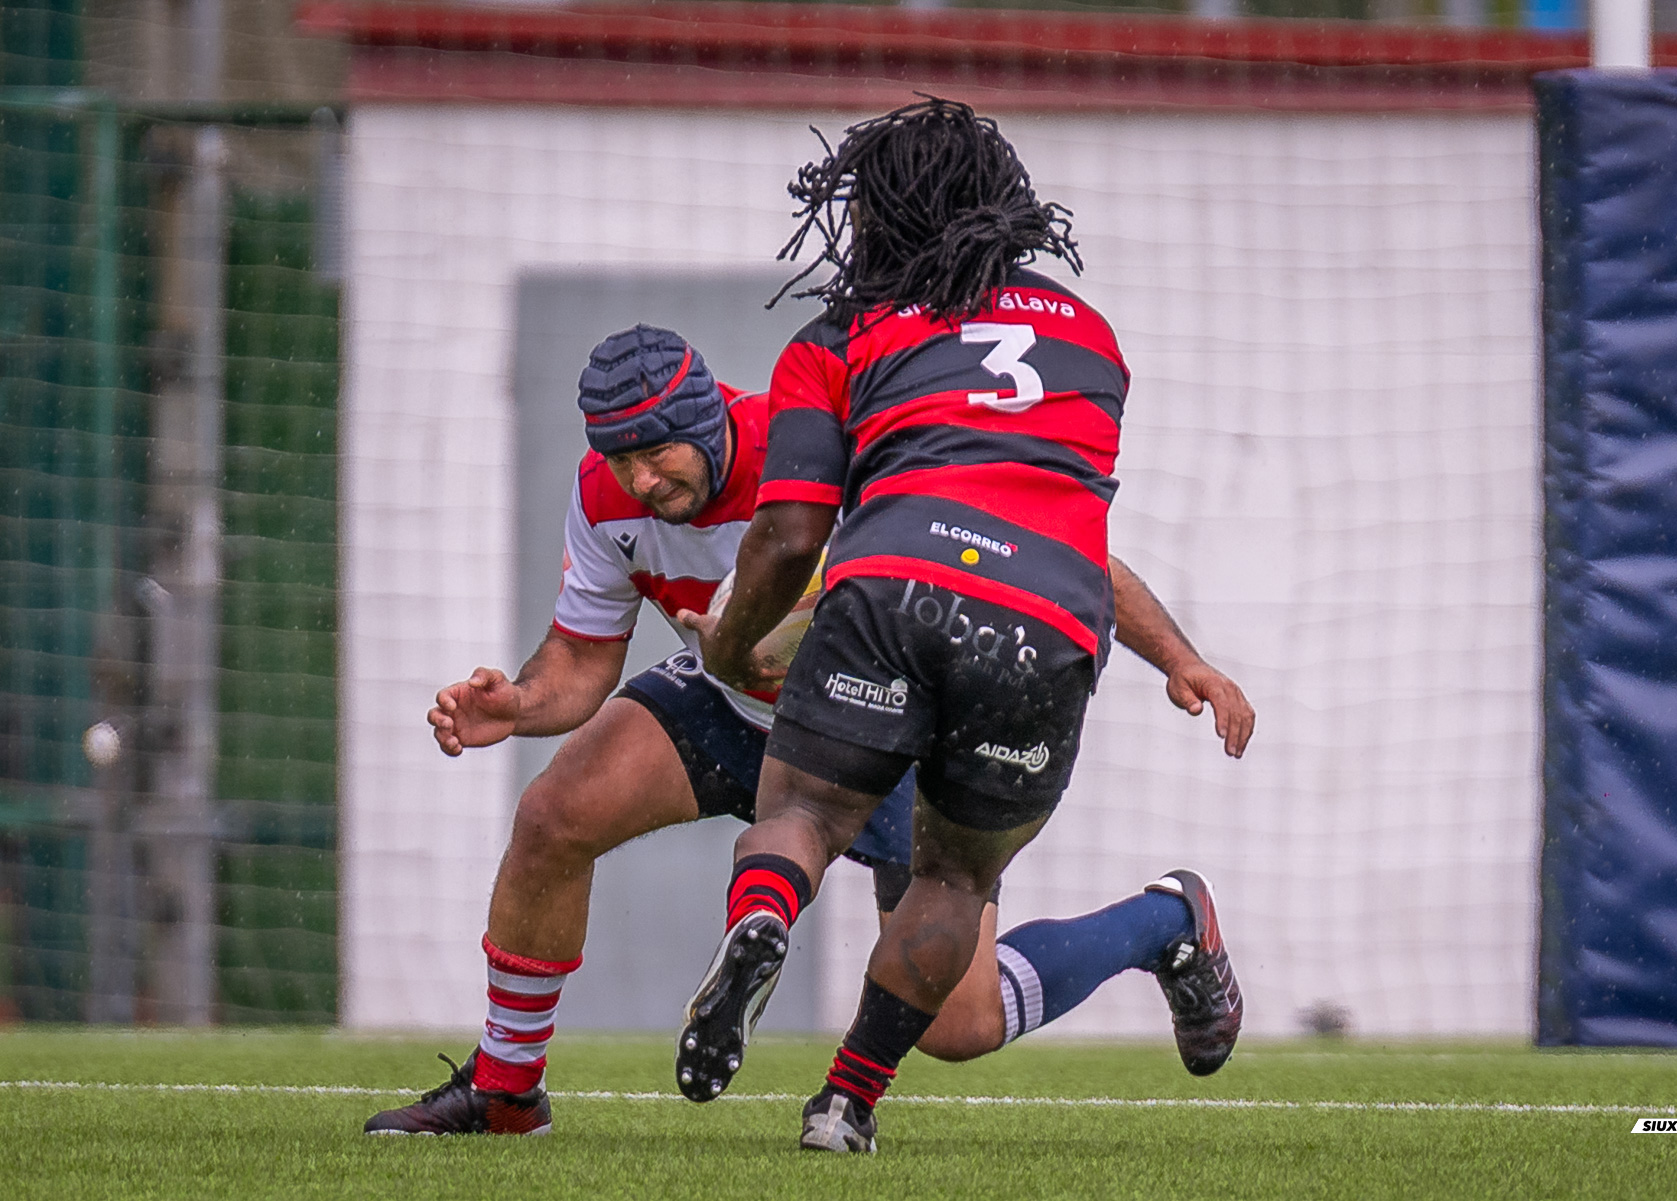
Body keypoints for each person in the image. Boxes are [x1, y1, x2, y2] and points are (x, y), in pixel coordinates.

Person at [363, 322, 1253, 1138]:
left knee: (959, 1024)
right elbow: (583, 661)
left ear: (708, 418)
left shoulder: (824, 448)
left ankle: (1164, 919)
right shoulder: (604, 498)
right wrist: (521, 703)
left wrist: (1181, 659)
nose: (641, 480)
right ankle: (507, 1092)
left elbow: (1057, 552)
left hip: (881, 724)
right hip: (731, 703)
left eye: (657, 453)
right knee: (552, 815)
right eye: (621, 458)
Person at [677, 99, 1245, 1156]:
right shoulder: (1091, 339)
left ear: (879, 215)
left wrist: (731, 640)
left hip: (892, 589)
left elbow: (793, 531)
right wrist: (1181, 658)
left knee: (801, 809)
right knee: (954, 879)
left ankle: (765, 911)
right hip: (1047, 623)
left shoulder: (840, 334)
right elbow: (1054, 528)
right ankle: (846, 1104)